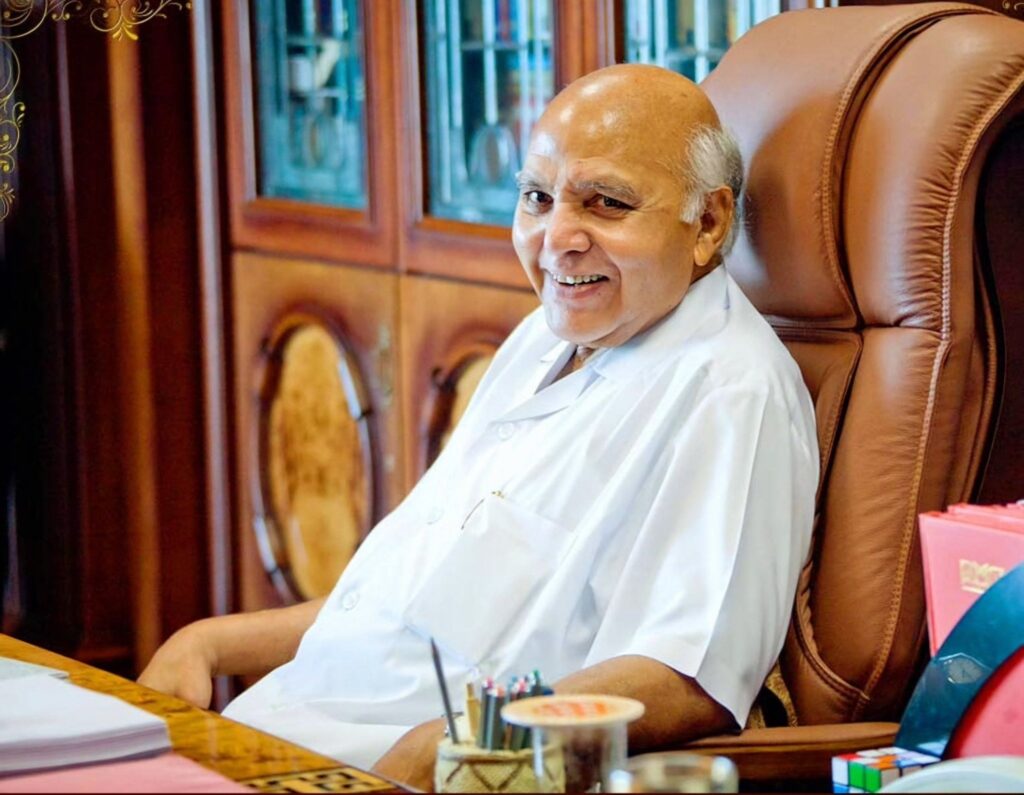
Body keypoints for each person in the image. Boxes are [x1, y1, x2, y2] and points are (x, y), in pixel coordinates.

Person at [139, 64, 818, 790]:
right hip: (274, 732)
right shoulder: (543, 339)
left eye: (607, 203)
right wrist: (209, 642)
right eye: (538, 198)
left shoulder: (731, 391)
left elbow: (688, 676)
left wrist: (452, 749)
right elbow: (407, 602)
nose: (556, 240)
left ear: (707, 223)